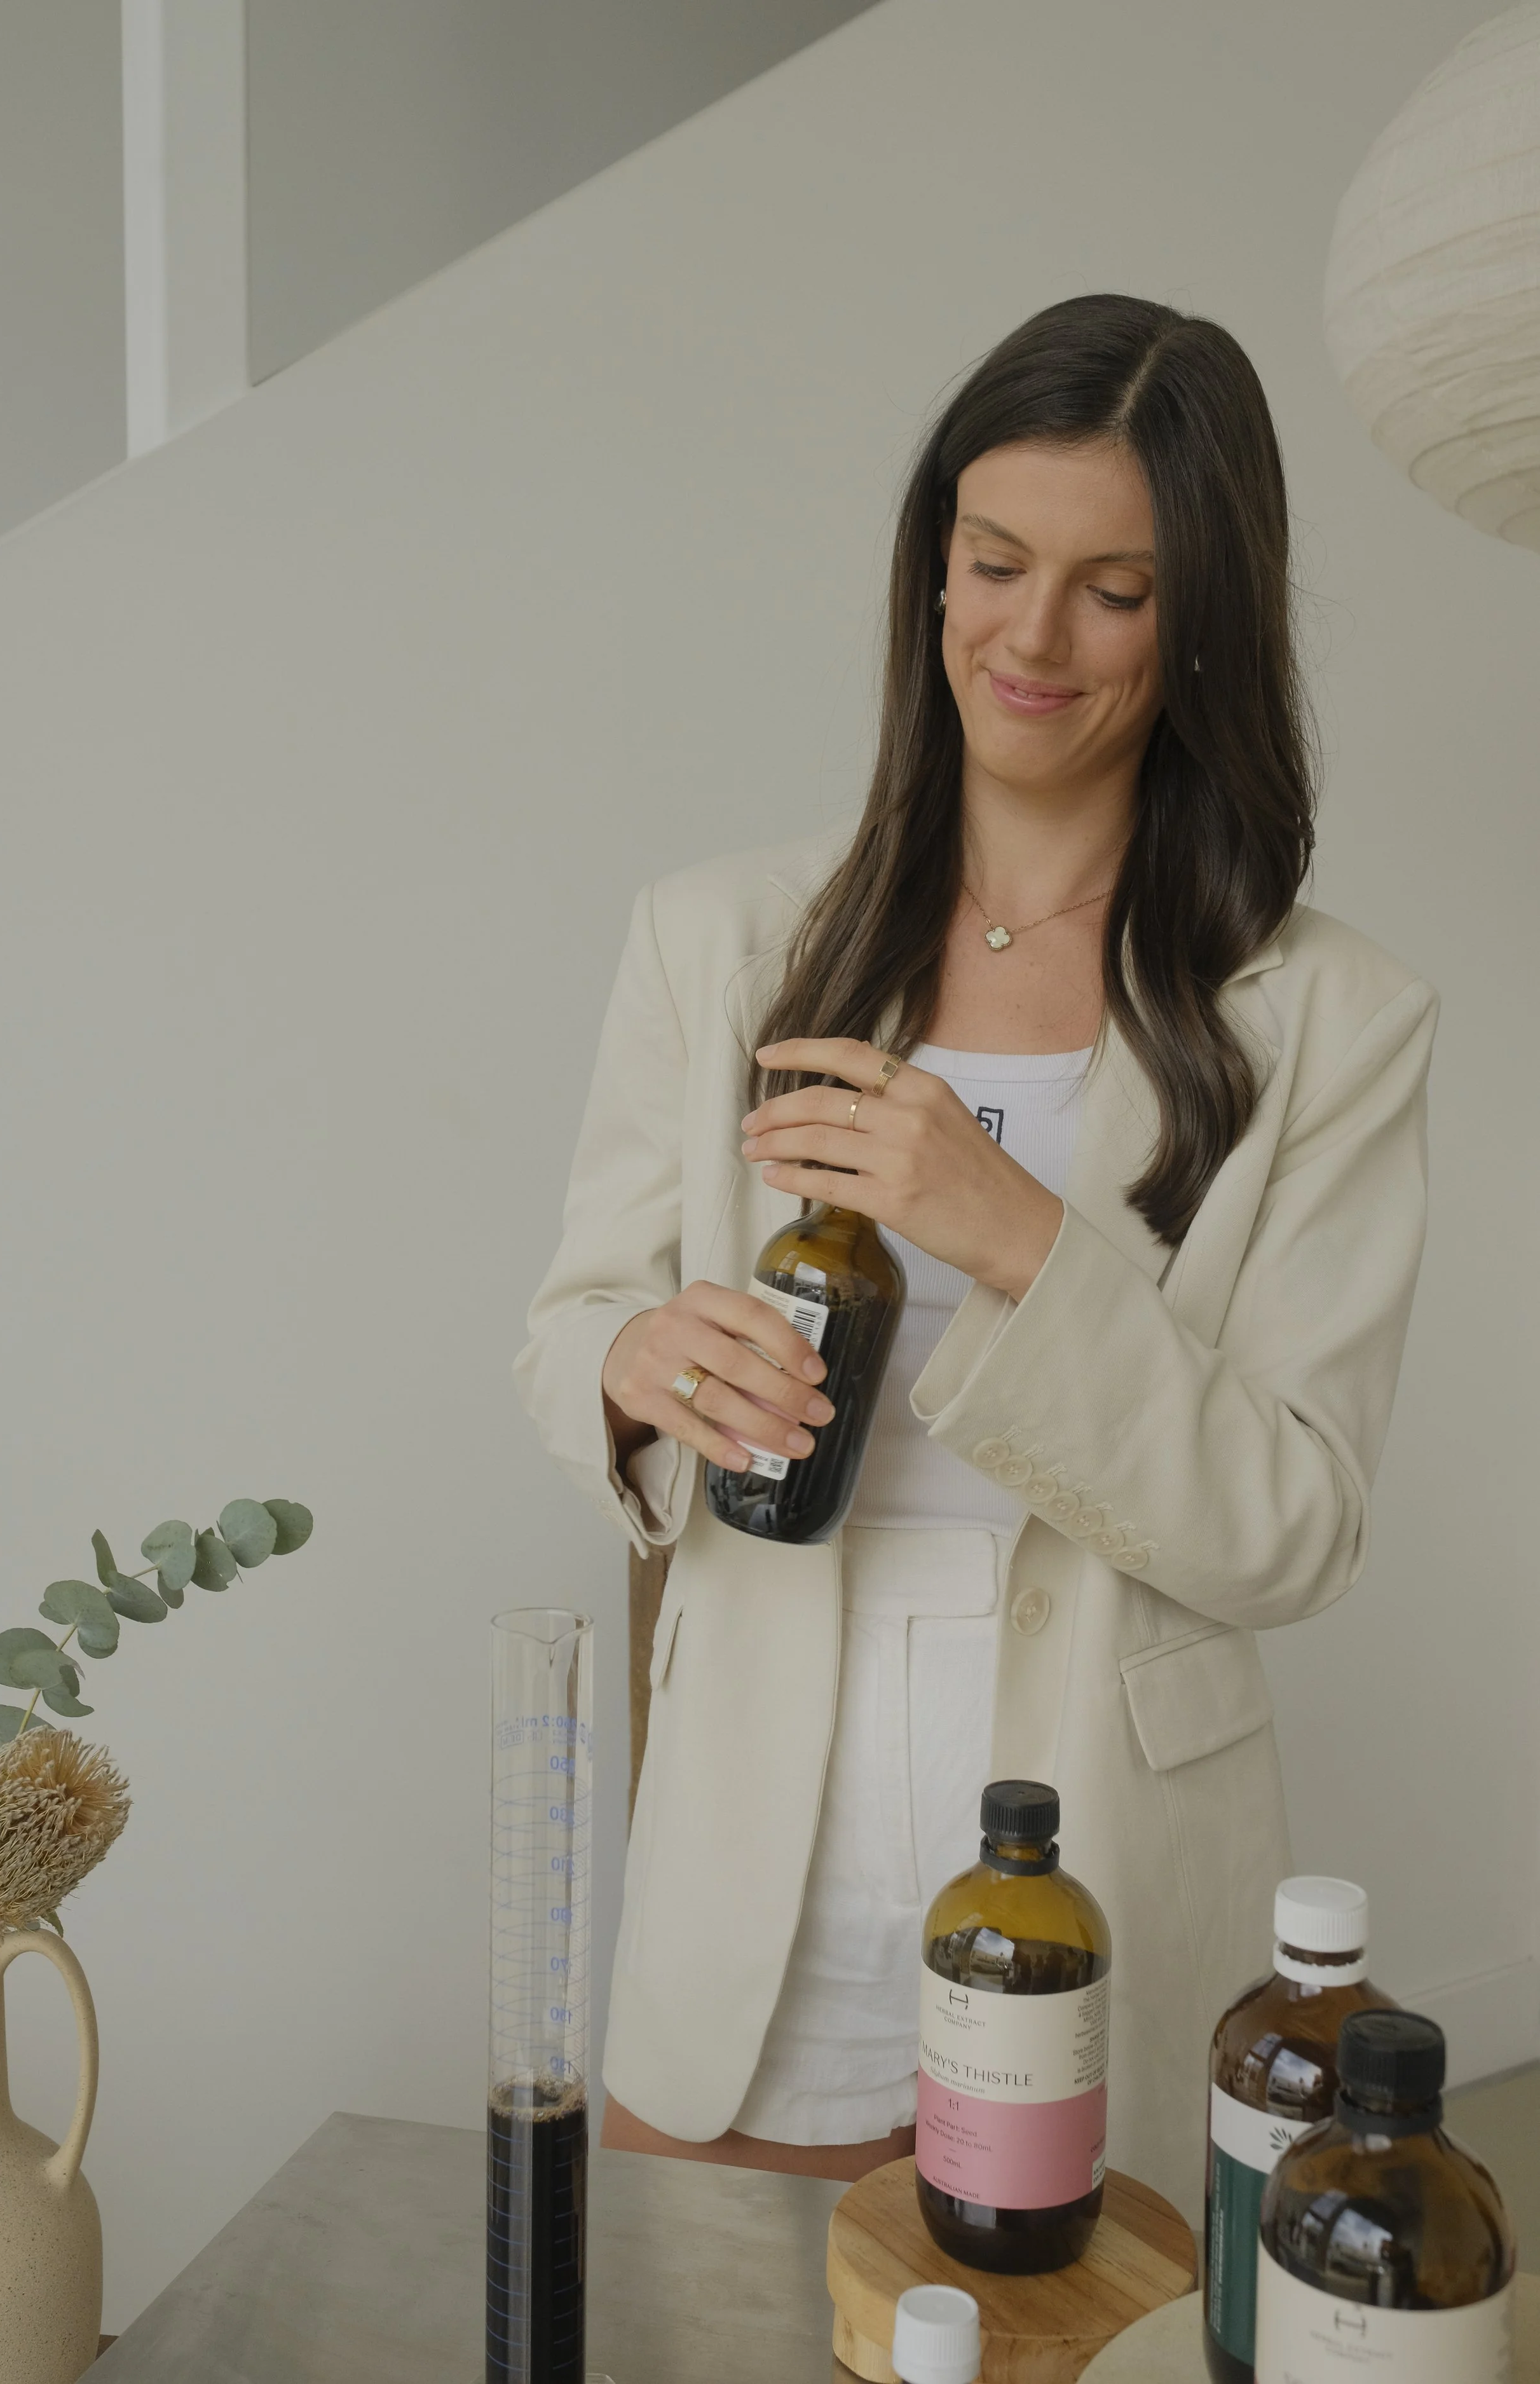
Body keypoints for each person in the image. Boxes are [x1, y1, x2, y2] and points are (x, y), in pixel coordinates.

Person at [515, 294, 1436, 2219]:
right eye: (994, 563)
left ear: (1204, 623)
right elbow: (572, 1321)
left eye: (1113, 590)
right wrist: (633, 1362)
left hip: (1097, 1859)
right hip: (759, 1845)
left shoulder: (1327, 1016)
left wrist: (1020, 1240)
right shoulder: (718, 935)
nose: (1029, 638)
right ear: (930, 566)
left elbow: (1293, 1522)